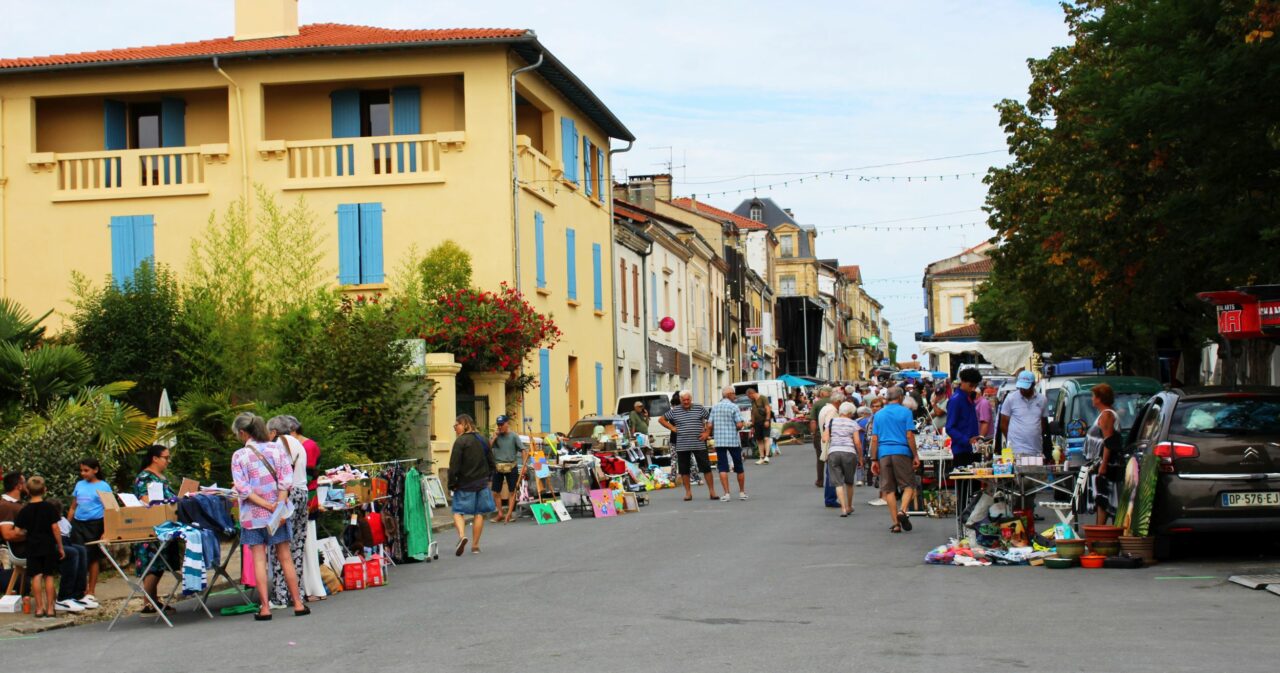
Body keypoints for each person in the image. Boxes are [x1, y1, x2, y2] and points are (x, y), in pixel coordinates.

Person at [231, 413, 308, 620]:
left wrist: (264, 504)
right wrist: (279, 505)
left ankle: (265, 608)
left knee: (259, 559)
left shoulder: (239, 456)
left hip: (253, 516)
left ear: (242, 432)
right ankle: (298, 604)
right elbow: (286, 480)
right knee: (285, 557)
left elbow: (243, 489)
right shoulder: (276, 449)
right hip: (278, 516)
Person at [266, 416, 310, 609]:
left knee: (280, 546)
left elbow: (276, 474)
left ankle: (280, 596)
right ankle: (297, 593)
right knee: (297, 547)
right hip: (303, 492)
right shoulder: (298, 444)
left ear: (273, 432)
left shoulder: (278, 445)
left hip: (288, 495)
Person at [133, 445, 182, 613]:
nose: (168, 461)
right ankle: (148, 601)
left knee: (160, 564)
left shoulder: (160, 477)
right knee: (153, 563)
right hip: (153, 525)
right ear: (155, 458)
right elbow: (145, 500)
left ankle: (153, 600)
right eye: (165, 457)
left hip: (165, 524)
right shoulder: (145, 477)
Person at [870, 387, 920, 533]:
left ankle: (896, 523)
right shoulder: (906, 412)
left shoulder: (879, 414)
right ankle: (902, 511)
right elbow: (909, 435)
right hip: (902, 452)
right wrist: (915, 455)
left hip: (884, 453)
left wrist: (874, 459)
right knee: (908, 485)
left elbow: (874, 438)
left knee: (889, 489)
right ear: (900, 398)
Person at [447, 414, 496, 556]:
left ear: (464, 424)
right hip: (481, 483)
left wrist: (452, 484)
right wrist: (489, 478)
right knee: (479, 513)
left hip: (464, 483)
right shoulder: (483, 440)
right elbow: (492, 462)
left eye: (456, 425)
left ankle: (462, 536)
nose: (455, 428)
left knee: (457, 511)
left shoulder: (460, 442)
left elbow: (453, 466)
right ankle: (475, 546)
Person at [13, 477, 61, 619]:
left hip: (33, 545)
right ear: (44, 490)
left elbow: (17, 531)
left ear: (27, 490)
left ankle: (39, 608)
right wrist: (60, 546)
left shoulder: (25, 510)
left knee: (36, 576)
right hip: (47, 545)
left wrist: (26, 532)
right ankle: (51, 608)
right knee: (49, 575)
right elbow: (55, 528)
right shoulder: (49, 508)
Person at [66, 458, 111, 608]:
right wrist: (67, 524)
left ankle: (90, 591)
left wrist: (106, 531)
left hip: (95, 524)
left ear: (95, 470)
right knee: (78, 556)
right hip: (78, 524)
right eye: (81, 470)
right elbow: (73, 506)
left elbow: (109, 509)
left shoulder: (103, 486)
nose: (83, 473)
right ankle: (78, 591)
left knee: (92, 558)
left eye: (86, 470)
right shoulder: (79, 485)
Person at [660, 391, 718, 501]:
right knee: (684, 470)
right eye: (683, 400)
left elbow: (711, 419)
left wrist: (707, 433)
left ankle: (712, 492)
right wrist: (672, 428)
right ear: (680, 400)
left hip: (699, 443)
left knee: (706, 468)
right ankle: (688, 493)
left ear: (691, 399)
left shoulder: (699, 408)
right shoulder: (675, 410)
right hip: (682, 444)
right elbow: (661, 419)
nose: (686, 402)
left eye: (688, 400)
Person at [1084, 383, 1122, 525]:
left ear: (1100, 398)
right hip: (1100, 462)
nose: (1092, 399)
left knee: (1104, 498)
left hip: (1106, 462)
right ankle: (1100, 530)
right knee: (1102, 498)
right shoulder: (1104, 414)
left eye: (1093, 396)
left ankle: (1100, 530)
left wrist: (1104, 465)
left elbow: (1108, 442)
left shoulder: (1107, 415)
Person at [49, 499, 90, 614]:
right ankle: (63, 597)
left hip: (63, 543)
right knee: (72, 553)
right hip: (51, 546)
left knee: (81, 549)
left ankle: (78, 594)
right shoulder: (48, 520)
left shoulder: (62, 521)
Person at [823, 402, 863, 517]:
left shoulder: (831, 422)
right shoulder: (853, 423)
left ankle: (843, 509)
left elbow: (825, 439)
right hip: (849, 453)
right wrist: (860, 457)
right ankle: (850, 506)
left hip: (834, 452)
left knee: (838, 483)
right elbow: (857, 442)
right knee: (849, 482)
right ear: (850, 413)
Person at [708, 386, 748, 501]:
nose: (735, 396)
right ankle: (741, 492)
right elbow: (739, 425)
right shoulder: (734, 407)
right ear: (729, 394)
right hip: (733, 441)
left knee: (722, 467)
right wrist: (739, 426)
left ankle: (726, 494)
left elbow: (710, 424)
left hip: (719, 441)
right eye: (734, 394)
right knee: (739, 467)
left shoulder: (715, 407)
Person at [999, 370, 1049, 459]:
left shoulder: (1042, 400)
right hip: (1016, 450)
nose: (1023, 390)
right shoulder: (1011, 399)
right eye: (1021, 387)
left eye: (1026, 388)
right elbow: (1003, 425)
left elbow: (1043, 423)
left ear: (1033, 385)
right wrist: (1012, 440)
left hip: (1035, 449)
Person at [489, 415, 525, 523]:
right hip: (498, 466)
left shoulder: (514, 436)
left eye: (501, 424)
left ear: (507, 424)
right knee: (495, 491)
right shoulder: (496, 436)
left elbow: (523, 450)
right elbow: (488, 448)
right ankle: (500, 513)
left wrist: (524, 466)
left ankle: (509, 513)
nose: (499, 427)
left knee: (512, 491)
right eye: (498, 425)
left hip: (511, 466)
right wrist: (494, 437)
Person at [808, 386, 833, 487]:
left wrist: (813, 433)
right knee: (832, 457)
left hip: (821, 433)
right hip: (834, 433)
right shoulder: (835, 402)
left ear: (822, 393)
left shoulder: (817, 403)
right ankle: (833, 479)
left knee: (820, 457)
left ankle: (820, 480)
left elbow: (813, 421)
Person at [748, 388, 772, 465]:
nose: (748, 398)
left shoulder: (763, 398)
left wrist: (767, 420)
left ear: (751, 393)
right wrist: (752, 424)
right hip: (757, 423)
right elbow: (752, 413)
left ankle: (767, 456)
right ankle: (761, 457)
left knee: (766, 438)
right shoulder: (752, 401)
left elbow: (768, 409)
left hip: (764, 421)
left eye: (748, 396)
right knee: (759, 440)